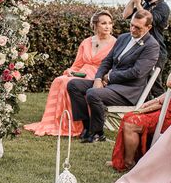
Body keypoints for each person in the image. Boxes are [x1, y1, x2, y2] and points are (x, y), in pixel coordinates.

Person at [68, 10, 159, 143]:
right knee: (73, 85)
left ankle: (98, 133)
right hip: (110, 85)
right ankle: (87, 127)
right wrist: (98, 78)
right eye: (131, 25)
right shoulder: (123, 38)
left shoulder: (152, 46)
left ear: (148, 27)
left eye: (137, 27)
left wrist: (109, 78)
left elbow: (136, 72)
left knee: (93, 94)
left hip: (128, 91)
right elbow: (107, 61)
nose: (133, 29)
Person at [25, 10, 116, 137]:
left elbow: (114, 66)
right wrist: (72, 71)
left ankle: (80, 125)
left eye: (110, 23)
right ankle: (60, 121)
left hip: (98, 76)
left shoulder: (115, 43)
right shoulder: (86, 42)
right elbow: (77, 63)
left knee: (69, 83)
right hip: (82, 73)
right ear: (95, 25)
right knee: (59, 80)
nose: (108, 26)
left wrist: (104, 78)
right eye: (103, 23)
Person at [110, 36, 171, 172]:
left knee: (131, 123)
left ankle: (130, 164)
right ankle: (129, 160)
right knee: (130, 116)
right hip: (169, 110)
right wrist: (155, 101)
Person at [122, 0, 170, 98]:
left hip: (157, 50)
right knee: (142, 84)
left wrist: (138, 5)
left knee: (154, 84)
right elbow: (125, 15)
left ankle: (165, 111)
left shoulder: (163, 7)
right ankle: (146, 113)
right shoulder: (144, 5)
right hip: (141, 49)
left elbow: (149, 20)